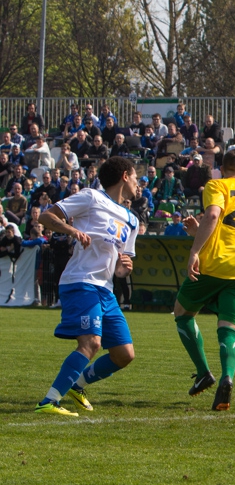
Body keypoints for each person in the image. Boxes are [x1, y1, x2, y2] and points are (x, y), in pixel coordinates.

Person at [33, 157, 139, 416]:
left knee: (124, 354)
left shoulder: (132, 220)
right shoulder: (92, 197)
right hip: (81, 282)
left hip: (106, 290)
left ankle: (77, 385)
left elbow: (119, 265)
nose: (140, 183)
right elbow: (47, 216)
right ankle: (49, 401)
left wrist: (123, 269)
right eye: (137, 177)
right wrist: (72, 231)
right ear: (125, 176)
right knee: (91, 343)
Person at [172, 149, 235, 412]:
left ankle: (203, 372)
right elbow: (228, 230)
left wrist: (194, 251)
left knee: (183, 312)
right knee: (228, 328)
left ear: (222, 169)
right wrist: (197, 233)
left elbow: (213, 216)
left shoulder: (217, 185)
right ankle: (227, 377)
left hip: (215, 265)